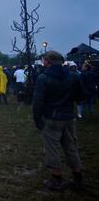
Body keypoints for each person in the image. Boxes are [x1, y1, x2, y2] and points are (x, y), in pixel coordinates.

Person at [33, 51, 84, 191]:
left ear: (47, 62)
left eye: (44, 60)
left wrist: (37, 120)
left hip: (51, 118)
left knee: (52, 148)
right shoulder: (73, 76)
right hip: (68, 116)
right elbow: (80, 96)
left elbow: (38, 101)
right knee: (71, 146)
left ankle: (56, 179)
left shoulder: (43, 78)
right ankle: (77, 176)